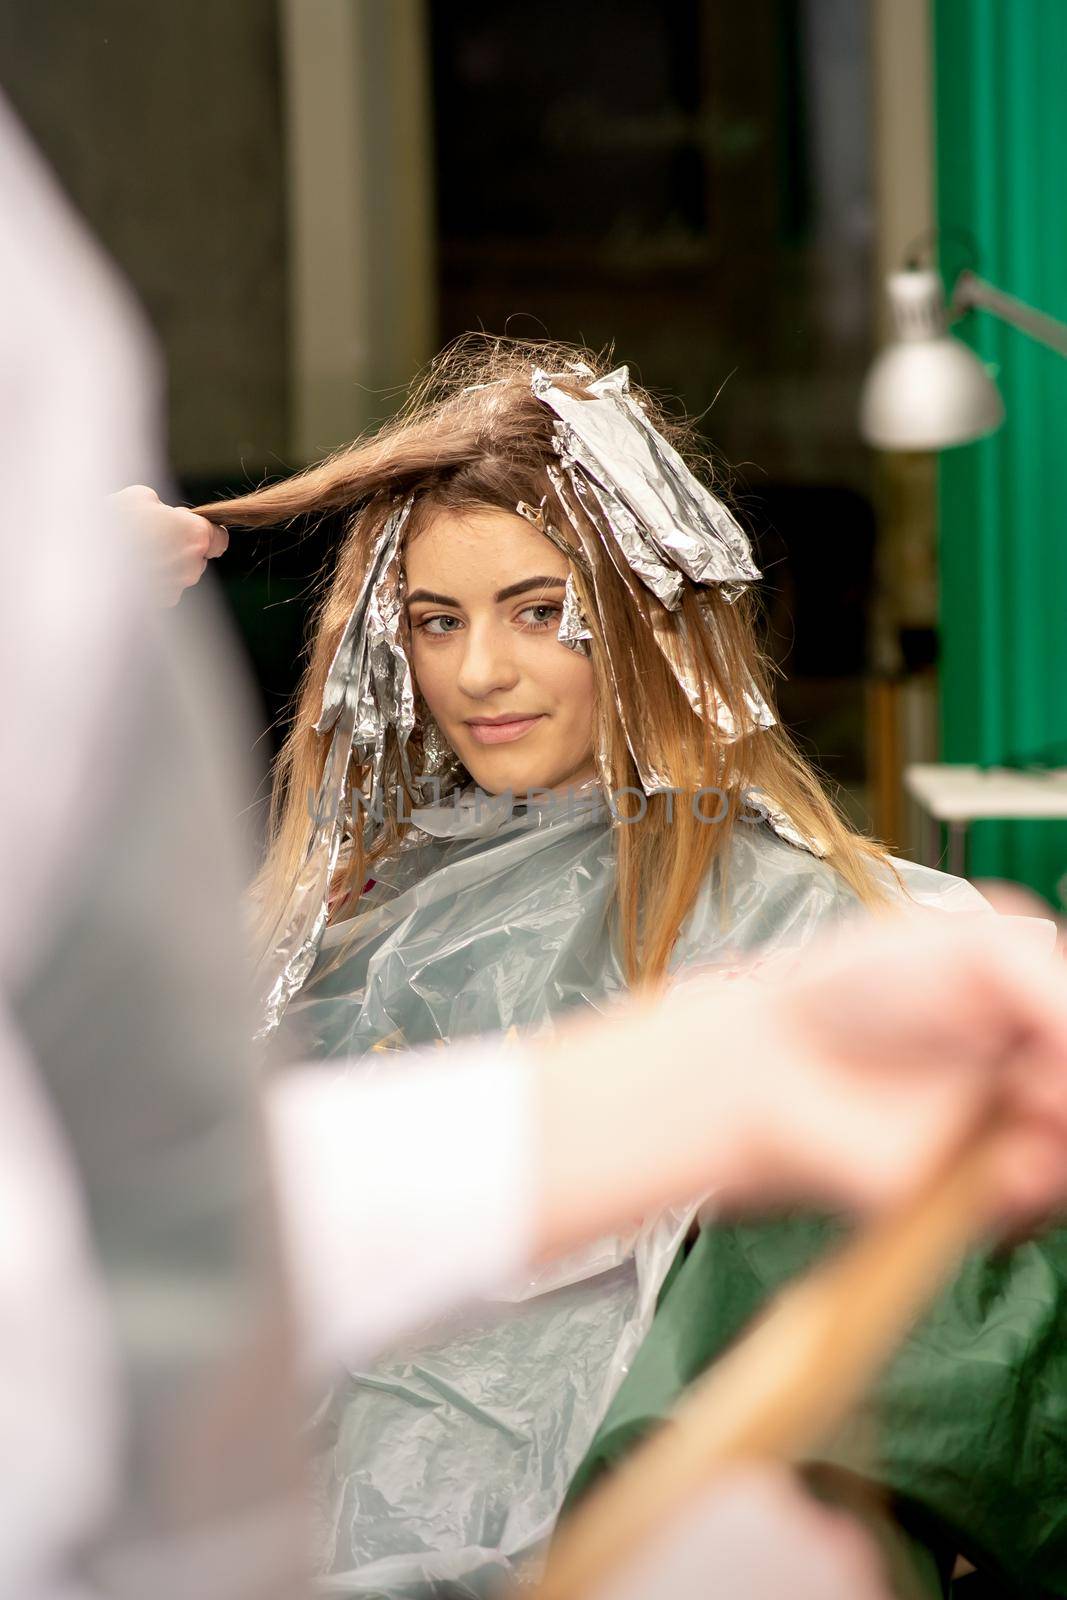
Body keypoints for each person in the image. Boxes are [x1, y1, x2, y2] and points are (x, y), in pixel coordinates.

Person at [129, 337, 1045, 1598]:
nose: (479, 674)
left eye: (540, 611)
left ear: (647, 616)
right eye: (435, 623)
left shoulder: (824, 930)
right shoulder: (345, 923)